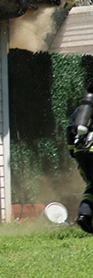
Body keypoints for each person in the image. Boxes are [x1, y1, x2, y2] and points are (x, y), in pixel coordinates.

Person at [66, 91, 93, 233]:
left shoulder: (82, 110)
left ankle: (85, 215)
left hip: (81, 152)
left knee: (91, 186)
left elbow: (70, 130)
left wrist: (72, 152)